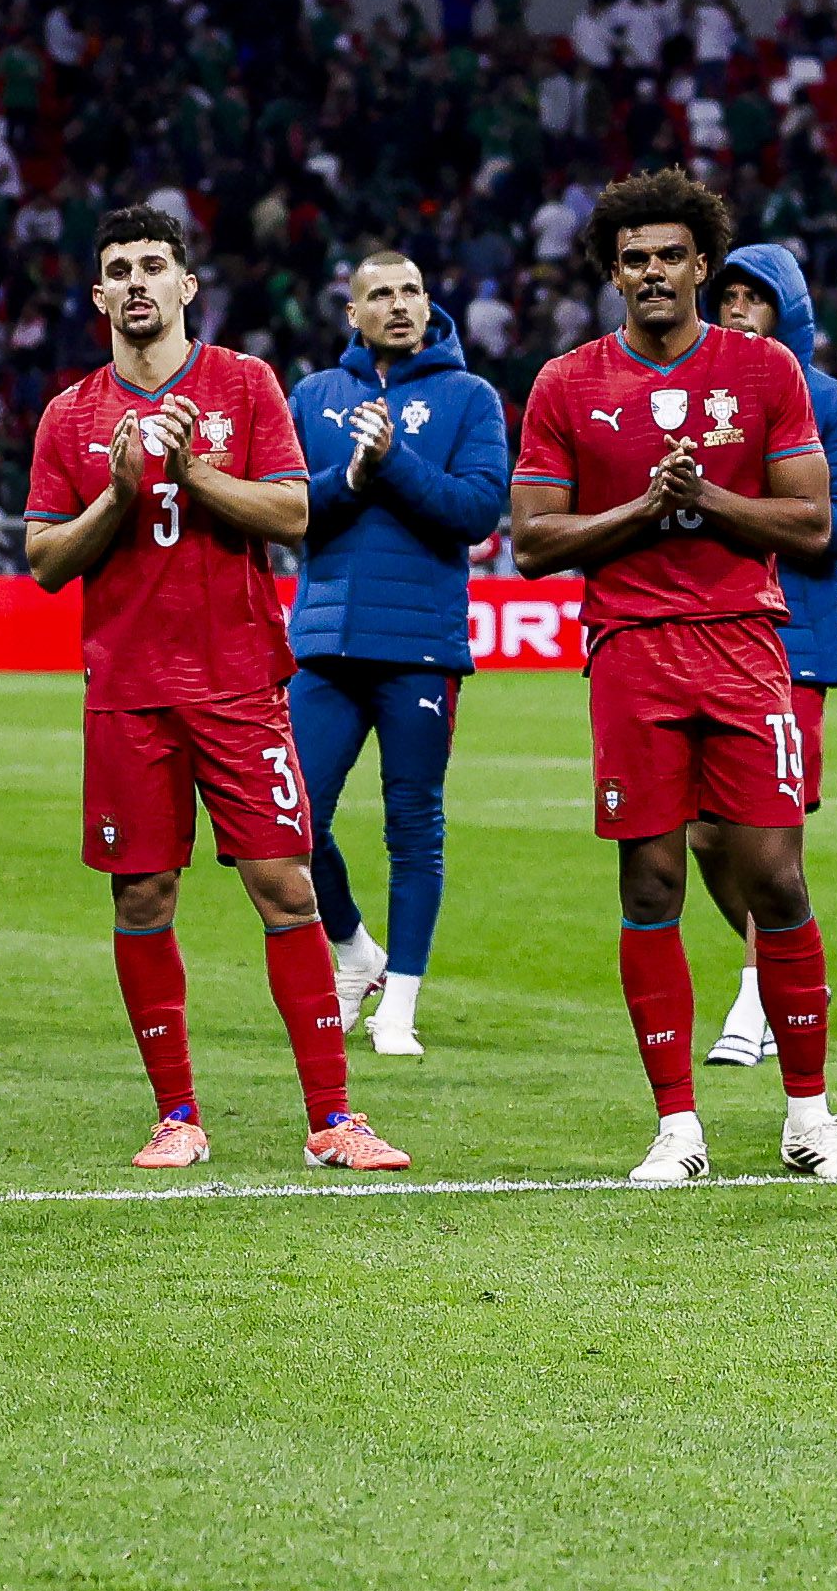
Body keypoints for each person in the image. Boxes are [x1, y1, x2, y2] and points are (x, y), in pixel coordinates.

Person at [25, 208, 405, 1173]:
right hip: (128, 692)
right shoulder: (70, 415)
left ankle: (333, 1119)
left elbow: (293, 510)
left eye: (156, 264)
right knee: (143, 898)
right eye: (119, 269)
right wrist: (118, 491)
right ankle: (177, 1114)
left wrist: (188, 471)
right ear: (100, 295)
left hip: (238, 683)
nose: (138, 282)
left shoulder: (243, 383)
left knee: (285, 888)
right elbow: (43, 562)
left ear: (188, 286)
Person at [511, 168, 837, 1182]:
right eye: (633, 259)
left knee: (778, 877)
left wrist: (702, 495)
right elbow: (533, 543)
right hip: (630, 649)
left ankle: (809, 1119)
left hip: (747, 642)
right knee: (651, 876)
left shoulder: (764, 371)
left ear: (702, 265)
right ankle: (678, 1127)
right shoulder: (567, 384)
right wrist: (644, 512)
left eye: (669, 255)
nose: (652, 272)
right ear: (611, 275)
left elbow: (810, 522)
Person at [288, 240, 510, 1062]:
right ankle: (355, 952)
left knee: (413, 826)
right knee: (291, 816)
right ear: (353, 312)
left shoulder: (469, 397)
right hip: (326, 642)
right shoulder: (312, 396)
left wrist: (392, 460)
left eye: (413, 290)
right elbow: (290, 509)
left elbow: (477, 510)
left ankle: (399, 1007)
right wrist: (351, 477)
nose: (401, 305)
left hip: (420, 644)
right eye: (381, 294)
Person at [701, 243, 837, 1072]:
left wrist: (725, 506)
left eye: (756, 298)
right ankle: (784, 968)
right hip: (709, 627)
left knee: (769, 838)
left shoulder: (835, 404)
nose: (738, 309)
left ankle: (752, 1000)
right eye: (729, 296)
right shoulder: (699, 397)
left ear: (790, 311)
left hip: (796, 639)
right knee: (705, 837)